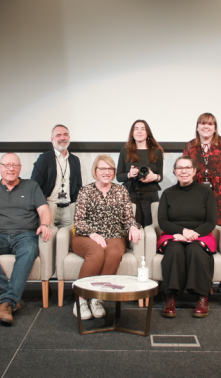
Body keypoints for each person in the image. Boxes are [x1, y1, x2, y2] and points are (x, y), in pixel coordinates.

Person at [0, 153, 52, 326]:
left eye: (15, 165)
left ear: (20, 168)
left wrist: (44, 224)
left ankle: (6, 302)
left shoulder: (32, 186)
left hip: (24, 234)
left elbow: (44, 210)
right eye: (6, 165)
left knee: (30, 250)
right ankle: (10, 297)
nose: (11, 168)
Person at [71, 154, 142, 320]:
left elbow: (127, 216)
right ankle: (81, 299)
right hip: (86, 235)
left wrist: (132, 225)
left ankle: (97, 299)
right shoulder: (86, 190)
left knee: (114, 254)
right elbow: (78, 221)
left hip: (114, 234)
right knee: (96, 254)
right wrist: (93, 234)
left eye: (110, 168)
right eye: (102, 168)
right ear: (95, 171)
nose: (106, 172)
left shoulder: (121, 190)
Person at [157, 156, 218, 318]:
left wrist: (193, 234)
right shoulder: (168, 193)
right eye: (180, 168)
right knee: (175, 251)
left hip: (200, 234)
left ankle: (202, 296)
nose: (184, 171)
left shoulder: (206, 192)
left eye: (187, 168)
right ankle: (171, 297)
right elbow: (163, 221)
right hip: (174, 234)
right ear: (175, 172)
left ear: (194, 170)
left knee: (195, 251)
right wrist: (182, 232)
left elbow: (211, 221)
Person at [31, 124, 82, 229]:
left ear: (69, 138)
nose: (62, 138)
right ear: (52, 139)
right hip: (49, 207)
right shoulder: (44, 159)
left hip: (68, 209)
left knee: (66, 240)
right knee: (48, 240)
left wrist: (75, 206)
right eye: (58, 135)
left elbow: (78, 186)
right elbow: (35, 186)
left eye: (65, 135)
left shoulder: (75, 160)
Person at [117, 120, 163, 227]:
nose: (139, 132)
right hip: (131, 193)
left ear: (147, 133)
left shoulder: (156, 151)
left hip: (150, 193)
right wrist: (129, 174)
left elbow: (160, 176)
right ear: (132, 133)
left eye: (143, 129)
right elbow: (119, 177)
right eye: (136, 129)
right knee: (132, 226)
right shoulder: (125, 151)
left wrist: (154, 177)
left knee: (150, 225)